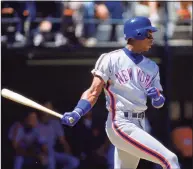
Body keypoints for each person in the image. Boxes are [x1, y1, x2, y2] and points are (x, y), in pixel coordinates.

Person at [61, 16, 181, 169]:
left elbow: (159, 103)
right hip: (121, 123)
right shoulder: (111, 59)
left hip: (139, 123)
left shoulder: (152, 66)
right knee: (170, 159)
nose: (152, 38)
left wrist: (157, 97)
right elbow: (93, 91)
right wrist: (77, 112)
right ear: (138, 34)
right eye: (149, 34)